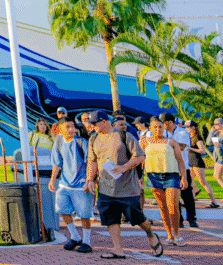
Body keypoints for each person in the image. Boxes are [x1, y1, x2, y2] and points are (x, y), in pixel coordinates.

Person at [84, 110, 163, 259]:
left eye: (94, 124)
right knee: (111, 219)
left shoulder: (124, 136)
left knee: (138, 218)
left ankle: (151, 234)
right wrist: (89, 180)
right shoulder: (93, 139)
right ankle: (117, 249)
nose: (92, 126)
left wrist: (124, 167)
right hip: (106, 188)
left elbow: (140, 156)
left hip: (127, 188)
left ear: (104, 122)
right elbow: (92, 161)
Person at [140, 117, 188, 246]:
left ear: (164, 127)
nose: (158, 129)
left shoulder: (171, 142)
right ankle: (169, 235)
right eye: (155, 127)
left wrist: (184, 177)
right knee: (163, 207)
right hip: (153, 176)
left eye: (160, 127)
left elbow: (180, 160)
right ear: (150, 128)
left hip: (171, 175)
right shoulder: (144, 142)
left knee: (173, 205)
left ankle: (177, 234)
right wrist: (140, 176)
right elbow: (141, 160)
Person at [49, 118, 93, 253]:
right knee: (63, 210)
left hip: (81, 184)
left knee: (84, 214)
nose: (71, 129)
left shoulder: (82, 142)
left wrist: (89, 181)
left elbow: (90, 162)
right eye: (67, 127)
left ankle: (87, 242)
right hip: (64, 184)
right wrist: (52, 180)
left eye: (72, 126)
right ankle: (75, 237)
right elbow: (57, 164)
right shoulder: (58, 143)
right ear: (60, 129)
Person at [161, 114, 197, 228]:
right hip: (168, 168)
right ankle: (178, 219)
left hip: (183, 168)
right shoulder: (163, 132)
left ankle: (192, 218)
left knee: (187, 194)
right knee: (172, 195)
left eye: (163, 123)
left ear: (170, 122)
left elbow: (181, 147)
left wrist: (165, 145)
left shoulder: (182, 132)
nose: (162, 125)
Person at [183, 121, 217, 208]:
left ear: (193, 128)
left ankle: (214, 202)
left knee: (203, 182)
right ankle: (190, 199)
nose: (186, 128)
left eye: (187, 127)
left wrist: (190, 148)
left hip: (197, 162)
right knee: (190, 182)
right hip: (190, 162)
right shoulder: (189, 137)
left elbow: (203, 151)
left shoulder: (197, 137)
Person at [207, 118, 223, 202]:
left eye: (217, 123)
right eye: (214, 123)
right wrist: (211, 132)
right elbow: (208, 143)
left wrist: (221, 146)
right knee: (216, 176)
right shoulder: (216, 133)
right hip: (219, 159)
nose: (215, 125)